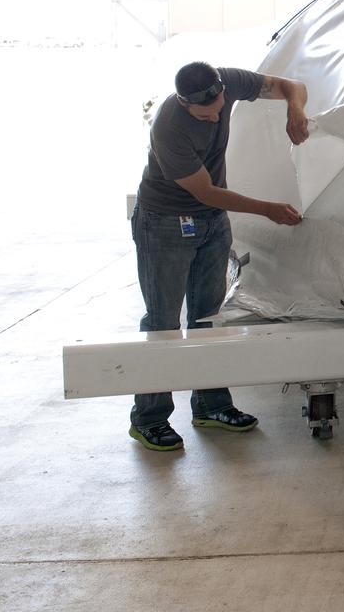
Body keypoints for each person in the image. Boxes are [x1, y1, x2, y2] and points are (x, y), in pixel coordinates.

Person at [129, 61, 309, 451]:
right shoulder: (169, 127)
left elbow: (291, 85)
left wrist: (295, 110)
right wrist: (267, 209)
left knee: (209, 314)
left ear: (222, 89)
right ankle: (149, 417)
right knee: (162, 318)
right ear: (183, 103)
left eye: (217, 110)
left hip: (211, 222)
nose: (213, 119)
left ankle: (211, 404)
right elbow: (205, 191)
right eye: (203, 115)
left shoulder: (228, 81)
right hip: (165, 221)